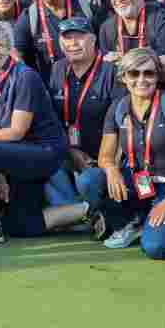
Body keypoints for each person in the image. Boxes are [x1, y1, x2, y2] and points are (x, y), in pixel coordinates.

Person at [0, 21, 90, 242]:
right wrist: (0, 174)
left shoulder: (25, 76)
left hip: (44, 152)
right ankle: (89, 210)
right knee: (20, 225)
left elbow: (17, 131)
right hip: (21, 155)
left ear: (10, 47)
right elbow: (0, 136)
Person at [91, 46, 165, 258]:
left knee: (156, 247)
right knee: (91, 180)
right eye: (134, 73)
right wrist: (111, 169)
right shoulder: (118, 107)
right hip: (141, 183)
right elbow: (105, 156)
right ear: (123, 77)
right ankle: (133, 222)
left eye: (148, 73)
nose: (141, 79)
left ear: (157, 75)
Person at [47, 17, 118, 240]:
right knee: (40, 162)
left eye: (79, 37)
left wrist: (105, 162)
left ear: (94, 39)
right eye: (67, 38)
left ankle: (94, 214)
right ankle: (80, 216)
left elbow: (118, 125)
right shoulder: (57, 69)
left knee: (87, 180)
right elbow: (53, 121)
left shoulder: (111, 70)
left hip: (101, 160)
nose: (73, 43)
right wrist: (71, 151)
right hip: (68, 154)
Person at [13, 0, 95, 76]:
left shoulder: (86, 2)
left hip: (92, 81)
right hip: (53, 87)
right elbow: (16, 53)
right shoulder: (29, 17)